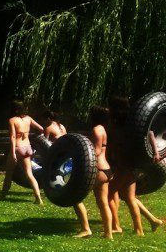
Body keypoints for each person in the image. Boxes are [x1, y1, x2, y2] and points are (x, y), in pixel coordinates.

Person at [108, 97, 163, 235]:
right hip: (133, 164)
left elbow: (148, 133)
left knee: (110, 192)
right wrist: (156, 152)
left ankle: (116, 226)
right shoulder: (133, 119)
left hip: (126, 164)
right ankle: (144, 226)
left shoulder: (123, 122)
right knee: (129, 197)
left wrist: (156, 152)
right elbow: (149, 132)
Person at [43, 110, 91, 237]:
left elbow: (46, 146)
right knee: (74, 195)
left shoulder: (48, 128)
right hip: (69, 159)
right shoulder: (62, 126)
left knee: (74, 195)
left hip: (60, 163)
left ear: (48, 118)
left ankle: (86, 228)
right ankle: (86, 227)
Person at [0, 101, 43, 204]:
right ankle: (38, 199)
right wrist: (31, 136)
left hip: (18, 148)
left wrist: (13, 153)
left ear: (14, 110)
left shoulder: (12, 120)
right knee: (29, 174)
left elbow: (13, 137)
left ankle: (2, 196)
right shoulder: (28, 119)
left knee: (9, 174)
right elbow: (41, 129)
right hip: (27, 147)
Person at [85, 106, 115, 238]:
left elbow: (96, 152)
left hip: (99, 169)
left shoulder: (96, 129)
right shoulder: (103, 129)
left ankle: (85, 228)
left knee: (77, 195)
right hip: (106, 169)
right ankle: (108, 234)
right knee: (103, 203)